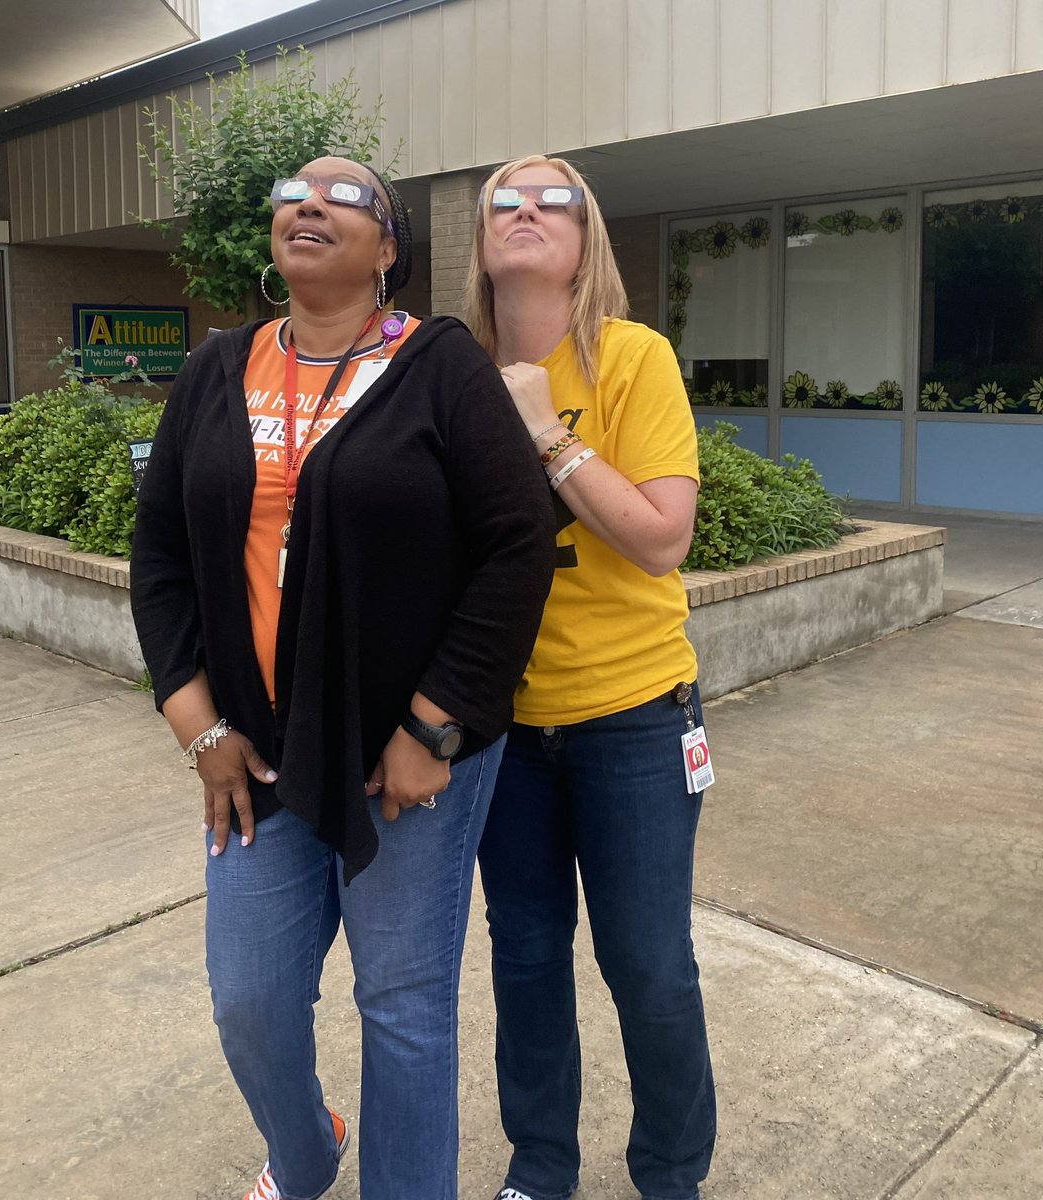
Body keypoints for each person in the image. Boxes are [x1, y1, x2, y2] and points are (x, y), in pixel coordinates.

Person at [130, 156, 554, 1200]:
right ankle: (307, 1148)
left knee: (402, 1007)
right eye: (291, 191)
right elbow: (160, 555)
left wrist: (433, 727)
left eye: (347, 195)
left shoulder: (441, 365)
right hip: (259, 751)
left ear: (391, 247)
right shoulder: (216, 369)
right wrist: (196, 723)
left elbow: (517, 545)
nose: (310, 204)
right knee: (250, 997)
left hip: (401, 759)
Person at [465, 156, 716, 1200]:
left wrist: (542, 428)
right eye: (504, 201)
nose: (526, 211)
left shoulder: (631, 359)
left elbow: (661, 540)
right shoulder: (445, 370)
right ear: (479, 240)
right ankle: (540, 1169)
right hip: (501, 731)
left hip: (635, 719)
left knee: (648, 967)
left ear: (588, 237)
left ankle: (669, 1175)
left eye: (552, 199)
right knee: (524, 960)